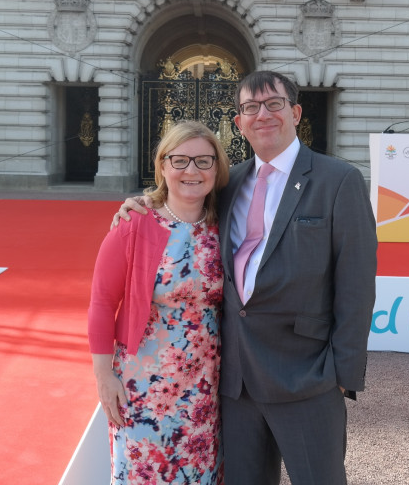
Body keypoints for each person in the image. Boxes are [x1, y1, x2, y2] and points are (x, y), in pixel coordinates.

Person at [116, 70, 378, 485]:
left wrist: (343, 376)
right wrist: (143, 202)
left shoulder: (338, 181)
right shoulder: (229, 182)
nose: (262, 114)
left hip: (306, 377)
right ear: (238, 122)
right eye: (250, 107)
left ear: (295, 112)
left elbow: (357, 283)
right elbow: (182, 192)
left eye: (273, 104)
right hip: (235, 383)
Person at [88, 120, 230, 484]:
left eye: (203, 161)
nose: (191, 171)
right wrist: (104, 377)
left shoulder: (226, 223)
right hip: (145, 383)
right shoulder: (135, 222)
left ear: (217, 168)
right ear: (163, 166)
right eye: (180, 160)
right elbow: (103, 303)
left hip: (206, 385)